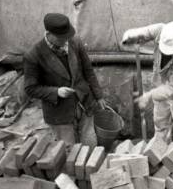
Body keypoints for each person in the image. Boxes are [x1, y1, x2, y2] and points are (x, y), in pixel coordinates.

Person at [24, 13, 110, 146]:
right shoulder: (34, 55)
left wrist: (99, 96)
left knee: (90, 144)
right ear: (48, 33)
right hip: (59, 112)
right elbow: (30, 88)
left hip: (84, 101)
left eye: (67, 37)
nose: (65, 41)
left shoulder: (74, 41)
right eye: (61, 38)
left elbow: (88, 70)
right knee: (68, 151)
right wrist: (56, 92)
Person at [122, 22, 173, 141]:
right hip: (160, 88)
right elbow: (144, 32)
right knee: (160, 128)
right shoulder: (161, 30)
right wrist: (130, 37)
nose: (165, 53)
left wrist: (149, 95)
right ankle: (159, 152)